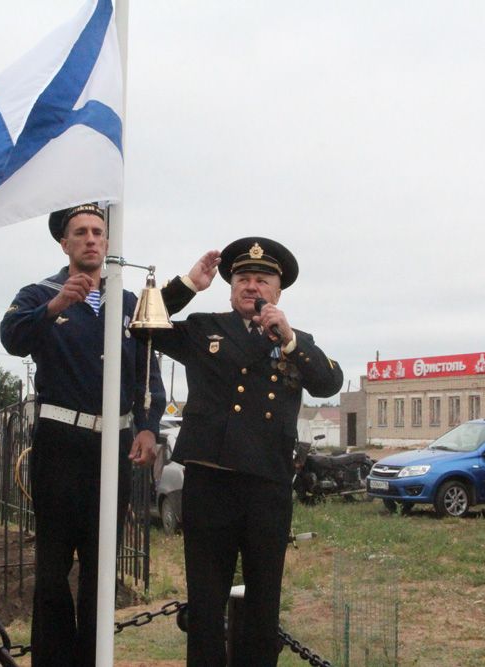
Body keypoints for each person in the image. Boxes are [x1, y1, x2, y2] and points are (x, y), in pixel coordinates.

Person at [0, 203, 218, 667]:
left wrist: (147, 427)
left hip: (112, 448)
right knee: (54, 569)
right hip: (60, 445)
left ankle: (95, 659)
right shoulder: (39, 293)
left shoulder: (123, 301)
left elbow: (147, 367)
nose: (92, 239)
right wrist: (55, 306)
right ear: (65, 242)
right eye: (81, 232)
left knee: (102, 568)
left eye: (99, 231)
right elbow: (12, 337)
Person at [153, 236, 343, 667]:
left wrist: (291, 340)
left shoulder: (297, 342)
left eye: (262, 280)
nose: (251, 287)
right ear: (230, 286)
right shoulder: (204, 329)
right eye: (242, 279)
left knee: (263, 602)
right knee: (205, 601)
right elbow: (141, 323)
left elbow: (329, 383)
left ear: (278, 292)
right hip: (210, 480)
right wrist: (187, 284)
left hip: (267, 486)